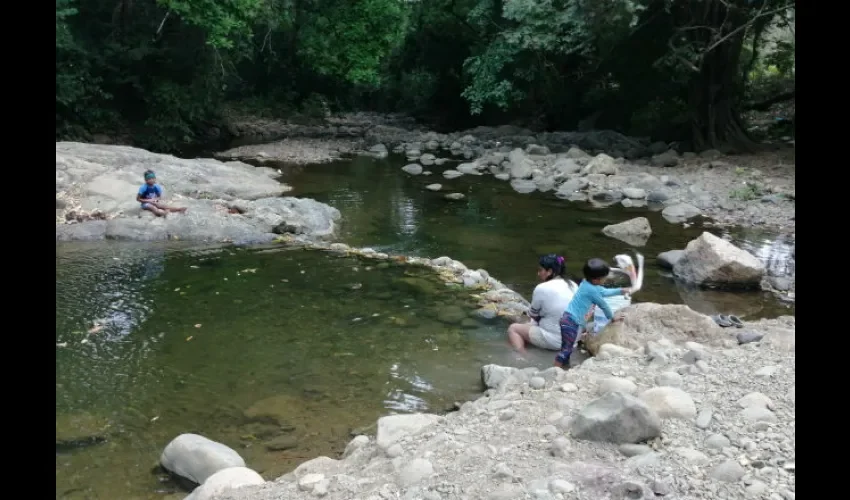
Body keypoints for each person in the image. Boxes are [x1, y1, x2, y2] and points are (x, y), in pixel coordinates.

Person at [555, 258, 630, 369]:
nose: (605, 279)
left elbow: (603, 291)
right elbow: (603, 305)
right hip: (571, 322)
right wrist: (613, 318)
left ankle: (565, 366)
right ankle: (555, 369)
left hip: (568, 320)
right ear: (596, 280)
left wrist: (620, 290)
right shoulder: (592, 291)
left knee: (567, 346)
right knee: (567, 349)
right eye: (604, 277)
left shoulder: (587, 283)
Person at [507, 254, 578, 354]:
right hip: (573, 339)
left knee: (513, 329)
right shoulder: (573, 284)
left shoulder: (542, 288)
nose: (538, 273)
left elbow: (532, 314)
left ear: (549, 272)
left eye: (540, 270)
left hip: (556, 342)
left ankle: (522, 356)